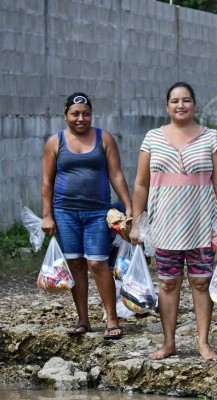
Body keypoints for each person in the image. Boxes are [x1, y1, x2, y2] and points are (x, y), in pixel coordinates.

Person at [130, 82, 217, 361]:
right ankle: (168, 343)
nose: (181, 105)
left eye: (186, 100)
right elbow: (141, 184)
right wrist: (137, 222)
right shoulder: (152, 138)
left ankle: (203, 343)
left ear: (194, 105)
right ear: (167, 106)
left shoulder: (211, 137)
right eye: (175, 101)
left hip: (201, 223)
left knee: (201, 283)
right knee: (168, 283)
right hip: (164, 226)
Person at [41, 92, 132, 340]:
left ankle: (112, 319)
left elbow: (116, 174)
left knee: (97, 263)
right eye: (75, 114)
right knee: (76, 264)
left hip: (97, 212)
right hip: (65, 212)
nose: (81, 118)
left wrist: (128, 205)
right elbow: (47, 182)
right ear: (66, 115)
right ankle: (83, 320)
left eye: (86, 113)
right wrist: (47, 215)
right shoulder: (55, 142)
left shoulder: (104, 138)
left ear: (91, 114)